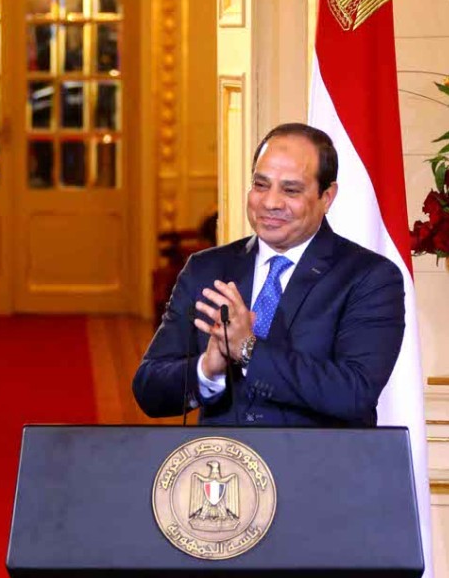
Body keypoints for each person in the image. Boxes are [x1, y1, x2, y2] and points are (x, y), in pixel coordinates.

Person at [132, 123, 405, 426]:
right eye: (261, 185)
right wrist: (207, 371)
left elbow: (354, 394)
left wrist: (247, 350)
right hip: (222, 468)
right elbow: (148, 389)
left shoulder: (370, 278)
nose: (270, 203)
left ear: (326, 197)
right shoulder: (206, 269)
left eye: (291, 190)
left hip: (317, 469)